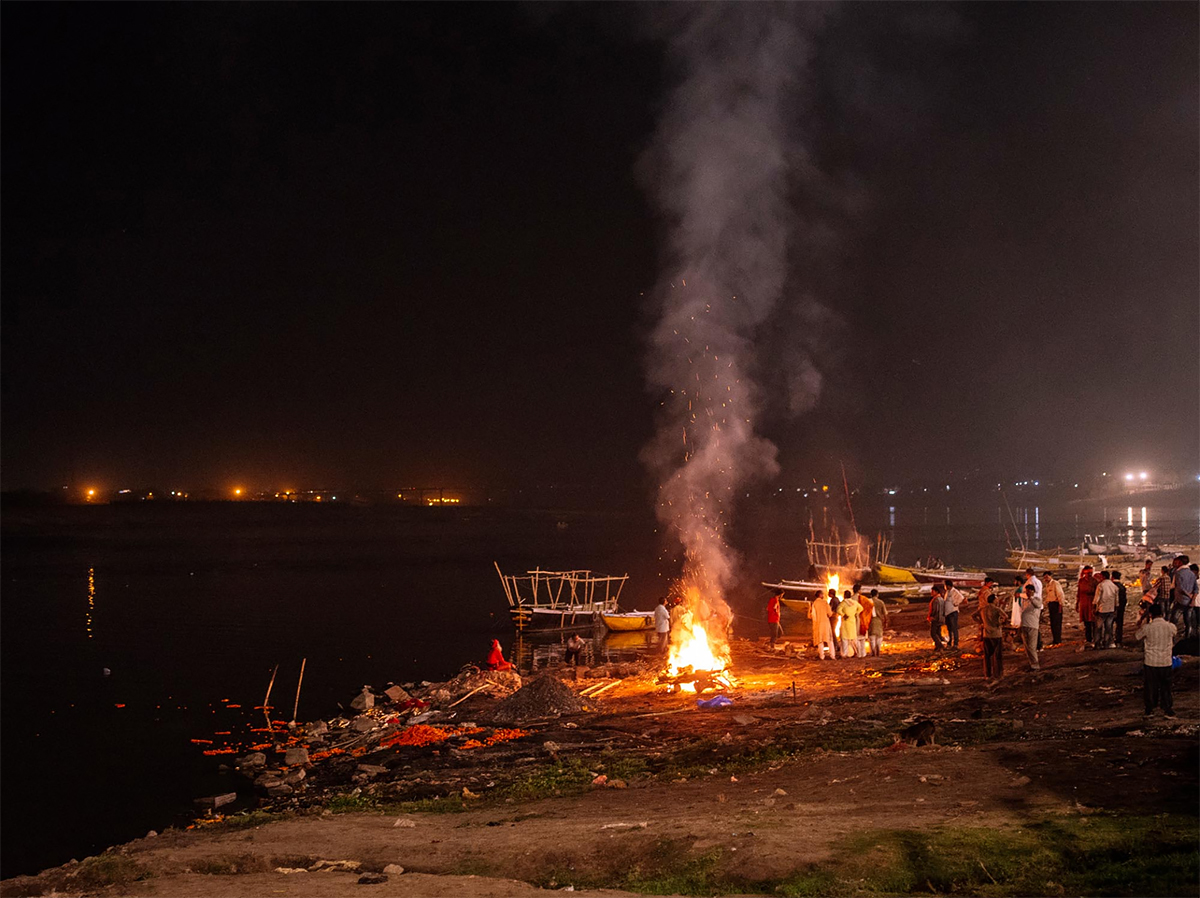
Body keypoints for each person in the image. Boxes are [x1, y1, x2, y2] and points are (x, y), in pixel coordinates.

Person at [1136, 605, 1177, 717]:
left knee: (1150, 687)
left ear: (1150, 615)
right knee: (1166, 686)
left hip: (1151, 661)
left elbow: (1137, 636)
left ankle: (1150, 709)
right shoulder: (1170, 627)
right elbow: (1175, 634)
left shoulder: (1147, 628)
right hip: (1165, 661)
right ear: (1162, 613)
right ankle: (1167, 709)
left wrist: (1140, 623)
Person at [977, 591, 1004, 681]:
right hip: (996, 634)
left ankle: (987, 674)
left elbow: (973, 615)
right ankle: (998, 674)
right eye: (996, 599)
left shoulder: (983, 609)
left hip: (986, 634)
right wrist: (999, 623)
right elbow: (1005, 616)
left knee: (987, 656)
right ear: (993, 600)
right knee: (997, 655)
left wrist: (981, 623)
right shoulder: (997, 609)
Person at [1019, 582, 1043, 670]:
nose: (1027, 593)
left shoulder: (1037, 599)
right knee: (1027, 647)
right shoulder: (1025, 601)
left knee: (1032, 646)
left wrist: (1031, 597)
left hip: (1032, 626)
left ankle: (1035, 665)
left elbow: (1038, 605)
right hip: (1024, 625)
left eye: (1029, 591)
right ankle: (1032, 664)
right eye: (1026, 591)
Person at [1171, 555, 1196, 640]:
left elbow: (1180, 587)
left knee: (1173, 620)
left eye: (1177, 562)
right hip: (1190, 602)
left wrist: (1187, 594)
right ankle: (1187, 639)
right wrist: (1192, 599)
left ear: (1181, 562)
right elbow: (1196, 589)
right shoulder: (1192, 574)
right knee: (1188, 622)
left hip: (1180, 601)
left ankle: (1172, 639)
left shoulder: (1178, 573)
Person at [1094, 570, 1119, 649]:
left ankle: (1097, 644)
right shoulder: (1114, 586)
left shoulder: (1100, 585)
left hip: (1102, 609)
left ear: (1103, 577)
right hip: (1111, 609)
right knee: (1109, 627)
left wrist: (1094, 608)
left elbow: (1096, 599)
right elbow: (1116, 600)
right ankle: (1107, 643)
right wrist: (1115, 609)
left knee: (1098, 628)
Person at [809, 589, 835, 660]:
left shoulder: (813, 604)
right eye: (822, 594)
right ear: (820, 595)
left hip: (817, 624)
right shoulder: (824, 602)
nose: (823, 595)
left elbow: (810, 615)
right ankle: (832, 655)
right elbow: (830, 614)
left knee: (820, 641)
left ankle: (822, 656)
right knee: (829, 640)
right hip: (826, 624)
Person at [836, 590, 861, 659]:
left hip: (845, 622)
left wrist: (843, 615)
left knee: (844, 639)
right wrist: (855, 613)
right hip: (852, 621)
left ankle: (845, 654)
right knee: (853, 639)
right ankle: (857, 652)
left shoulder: (843, 603)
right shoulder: (854, 603)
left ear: (845, 596)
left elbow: (838, 610)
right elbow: (861, 608)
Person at [1042, 571, 1065, 646]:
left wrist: (1061, 604)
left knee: (1057, 622)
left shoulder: (1055, 583)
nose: (1045, 578)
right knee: (1053, 623)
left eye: (1047, 577)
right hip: (1051, 604)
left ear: (1050, 576)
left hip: (1057, 604)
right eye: (1044, 577)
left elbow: (1060, 594)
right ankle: (1055, 639)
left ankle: (1058, 640)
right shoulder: (1047, 585)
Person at [1076, 565, 1097, 644]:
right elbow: (1078, 593)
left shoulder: (1094, 581)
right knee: (1086, 622)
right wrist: (1077, 604)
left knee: (1093, 621)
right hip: (1084, 603)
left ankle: (1095, 638)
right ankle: (1088, 638)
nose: (1090, 574)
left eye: (1091, 573)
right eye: (1088, 573)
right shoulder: (1081, 581)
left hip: (1091, 603)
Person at [943, 579, 963, 649]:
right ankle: (949, 643)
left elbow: (961, 598)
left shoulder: (954, 591)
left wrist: (955, 604)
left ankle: (955, 644)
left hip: (953, 612)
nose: (944, 586)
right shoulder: (947, 592)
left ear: (948, 585)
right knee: (949, 629)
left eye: (945, 585)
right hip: (947, 613)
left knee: (954, 628)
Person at [867, 589, 887, 656]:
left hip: (870, 620)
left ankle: (873, 652)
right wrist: (885, 622)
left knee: (872, 636)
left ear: (871, 595)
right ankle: (878, 650)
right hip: (879, 620)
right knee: (879, 636)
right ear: (877, 594)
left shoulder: (868, 602)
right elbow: (885, 614)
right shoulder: (880, 602)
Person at [927, 584, 946, 653]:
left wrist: (931, 616)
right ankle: (938, 646)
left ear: (936, 592)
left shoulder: (936, 600)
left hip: (936, 619)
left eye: (932, 591)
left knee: (933, 633)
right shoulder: (941, 599)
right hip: (941, 618)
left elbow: (935, 610)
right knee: (938, 633)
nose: (931, 593)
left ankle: (941, 645)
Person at [1112, 571, 1128, 645]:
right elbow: (1124, 599)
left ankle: (1109, 639)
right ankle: (1118, 639)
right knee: (1119, 624)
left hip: (1112, 608)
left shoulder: (1111, 586)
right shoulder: (1122, 587)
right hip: (1120, 608)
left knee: (1110, 624)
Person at [856, 587, 872, 658]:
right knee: (862, 638)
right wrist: (866, 615)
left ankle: (859, 654)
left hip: (854, 621)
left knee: (856, 638)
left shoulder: (851, 599)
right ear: (859, 590)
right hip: (863, 620)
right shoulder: (864, 599)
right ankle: (863, 653)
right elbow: (870, 606)